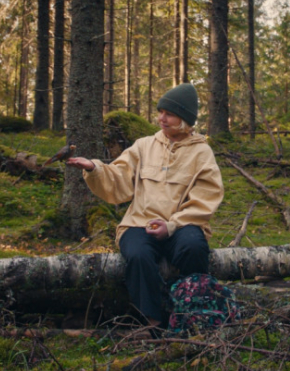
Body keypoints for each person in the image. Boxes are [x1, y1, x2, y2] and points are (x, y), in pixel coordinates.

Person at [66, 83, 224, 328]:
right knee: (138, 255)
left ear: (184, 119)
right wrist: (94, 168)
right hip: (139, 223)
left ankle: (191, 315)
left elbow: (206, 198)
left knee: (193, 247)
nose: (161, 118)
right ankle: (153, 324)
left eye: (169, 114)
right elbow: (119, 179)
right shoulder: (143, 145)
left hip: (182, 225)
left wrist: (171, 226)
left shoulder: (202, 153)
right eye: (160, 112)